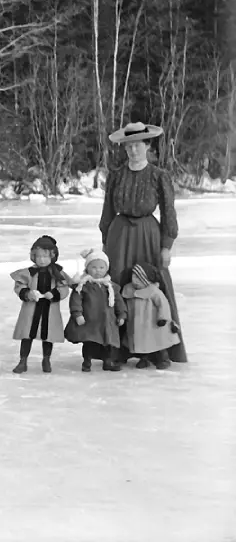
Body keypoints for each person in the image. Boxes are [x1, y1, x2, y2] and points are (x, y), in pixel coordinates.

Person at [100, 121, 187, 363]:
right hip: (119, 236)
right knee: (117, 289)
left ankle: (158, 348)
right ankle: (118, 349)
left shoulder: (160, 176)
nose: (133, 151)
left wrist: (166, 245)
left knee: (152, 288)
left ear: (147, 146)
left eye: (138, 146)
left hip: (149, 235)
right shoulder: (116, 177)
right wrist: (105, 242)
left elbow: (169, 212)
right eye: (128, 146)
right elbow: (107, 211)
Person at [10, 235, 69, 374]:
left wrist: (54, 293)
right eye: (39, 256)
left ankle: (46, 359)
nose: (42, 260)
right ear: (33, 256)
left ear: (53, 257)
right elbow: (19, 285)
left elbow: (64, 287)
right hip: (31, 309)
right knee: (27, 334)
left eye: (46, 257)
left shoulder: (57, 273)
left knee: (48, 335)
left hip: (50, 309)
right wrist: (27, 293)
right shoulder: (28, 273)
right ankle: (23, 361)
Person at [63, 248, 128, 372]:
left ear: (106, 269)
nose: (98, 271)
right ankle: (86, 361)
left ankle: (108, 361)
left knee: (108, 343)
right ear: (87, 268)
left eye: (101, 268)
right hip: (90, 321)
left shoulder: (111, 286)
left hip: (107, 321)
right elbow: (76, 301)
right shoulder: (83, 285)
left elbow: (119, 302)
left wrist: (122, 315)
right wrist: (77, 314)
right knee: (89, 342)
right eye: (94, 267)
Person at [120, 262, 180, 370]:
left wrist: (162, 318)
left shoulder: (153, 292)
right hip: (136, 323)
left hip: (152, 323)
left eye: (139, 278)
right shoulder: (128, 290)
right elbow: (123, 304)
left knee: (157, 342)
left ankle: (163, 359)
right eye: (133, 276)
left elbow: (163, 305)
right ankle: (144, 359)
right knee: (141, 342)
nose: (135, 280)